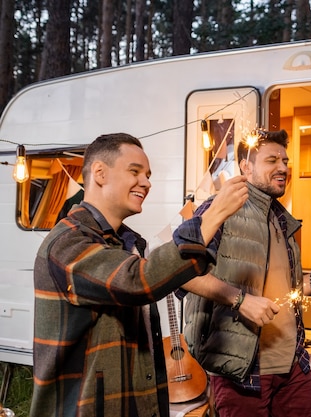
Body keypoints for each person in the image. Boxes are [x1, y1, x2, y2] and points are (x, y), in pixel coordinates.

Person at [30, 133, 248, 417]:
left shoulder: (129, 242)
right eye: (135, 171)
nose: (146, 182)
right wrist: (212, 216)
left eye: (147, 174)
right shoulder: (68, 242)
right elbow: (137, 282)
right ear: (99, 173)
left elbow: (165, 276)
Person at [183, 129, 311, 417]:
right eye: (271, 160)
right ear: (246, 167)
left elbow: (291, 292)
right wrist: (240, 300)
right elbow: (182, 273)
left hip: (293, 365)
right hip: (242, 371)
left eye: (285, 161)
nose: (283, 168)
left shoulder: (283, 221)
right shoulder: (220, 209)